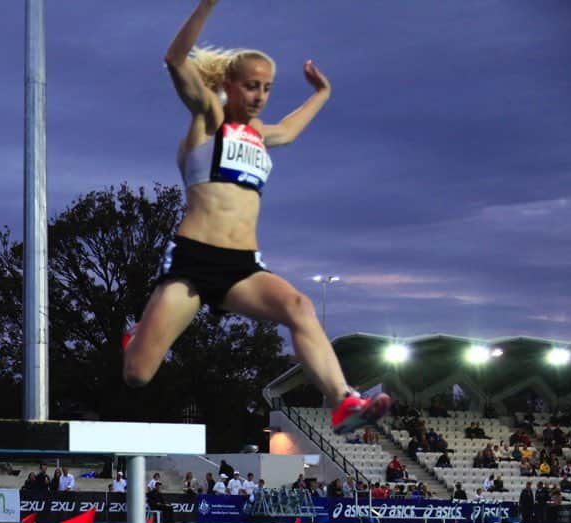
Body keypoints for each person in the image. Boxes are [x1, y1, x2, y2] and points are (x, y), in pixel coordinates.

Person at [121, 0, 390, 436]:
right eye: (251, 86)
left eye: (267, 88)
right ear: (228, 85)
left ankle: (343, 401)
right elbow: (175, 59)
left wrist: (322, 93)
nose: (260, 96)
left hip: (243, 267)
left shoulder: (261, 135)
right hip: (192, 261)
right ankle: (134, 339)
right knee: (138, 374)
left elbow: (288, 129)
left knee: (299, 306)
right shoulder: (207, 120)